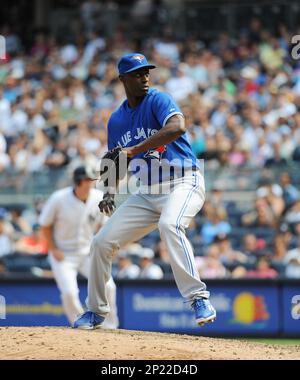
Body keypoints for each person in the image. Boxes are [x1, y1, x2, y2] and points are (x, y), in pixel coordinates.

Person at [74, 53, 216, 329]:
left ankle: (198, 297)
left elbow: (178, 127)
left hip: (184, 180)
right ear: (123, 79)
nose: (145, 77)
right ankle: (95, 311)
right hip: (148, 191)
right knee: (101, 242)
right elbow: (116, 157)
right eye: (137, 74)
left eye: (146, 72)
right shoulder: (116, 120)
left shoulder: (158, 99)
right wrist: (109, 192)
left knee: (170, 224)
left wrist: (136, 150)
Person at [39, 165, 119, 329]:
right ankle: (81, 326)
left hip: (87, 252)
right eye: (87, 180)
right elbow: (45, 225)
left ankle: (110, 327)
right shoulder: (59, 198)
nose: (90, 183)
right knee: (69, 293)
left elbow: (105, 226)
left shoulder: (98, 197)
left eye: (91, 180)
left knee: (109, 286)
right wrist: (53, 249)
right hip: (63, 254)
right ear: (78, 182)